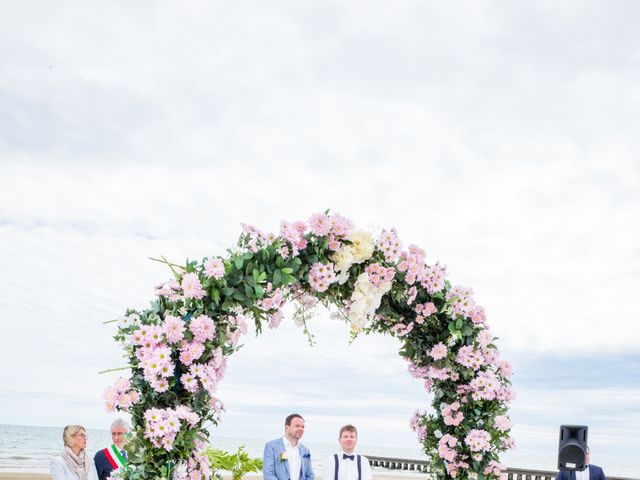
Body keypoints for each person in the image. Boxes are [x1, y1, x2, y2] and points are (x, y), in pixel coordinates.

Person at [263, 413, 314, 480]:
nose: (301, 429)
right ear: (287, 428)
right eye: (297, 426)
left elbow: (310, 475)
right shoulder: (272, 446)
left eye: (302, 427)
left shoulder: (305, 451)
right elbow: (268, 474)